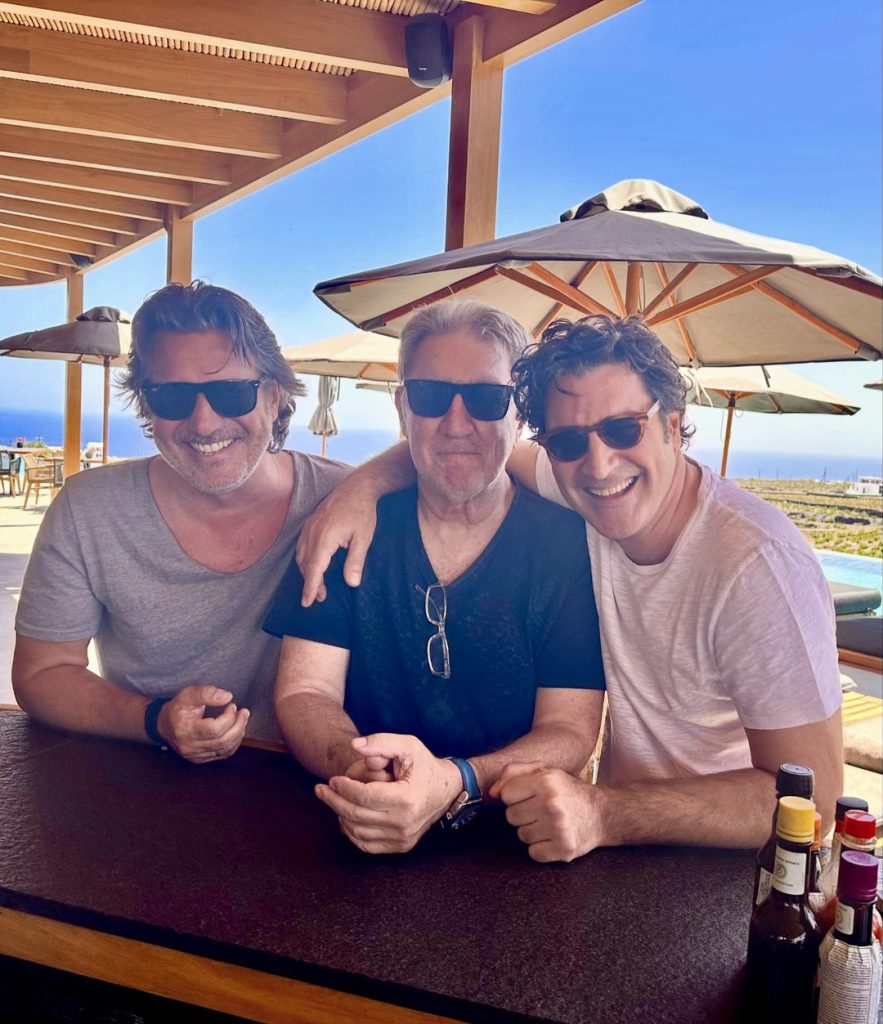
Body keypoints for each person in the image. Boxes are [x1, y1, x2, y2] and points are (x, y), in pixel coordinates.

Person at [295, 313, 843, 861]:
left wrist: (605, 812)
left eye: (624, 429)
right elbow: (458, 445)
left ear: (673, 426)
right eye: (567, 441)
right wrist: (357, 490)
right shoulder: (581, 490)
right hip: (610, 856)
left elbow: (813, 801)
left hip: (731, 873)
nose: (599, 464)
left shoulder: (757, 565)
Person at [264, 300, 606, 854]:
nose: (456, 423)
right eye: (430, 396)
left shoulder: (566, 546)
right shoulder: (345, 530)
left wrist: (455, 782)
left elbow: (570, 730)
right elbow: (306, 690)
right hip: (353, 827)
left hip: (511, 844)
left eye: (486, 399)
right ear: (403, 408)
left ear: (519, 414)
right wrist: (357, 763)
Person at [13, 282, 346, 763]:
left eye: (231, 392)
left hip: (305, 781)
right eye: (171, 396)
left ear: (274, 399)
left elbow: (452, 465)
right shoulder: (90, 508)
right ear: (146, 403)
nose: (204, 422)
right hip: (149, 776)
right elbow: (42, 673)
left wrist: (374, 482)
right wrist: (155, 720)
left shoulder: (342, 498)